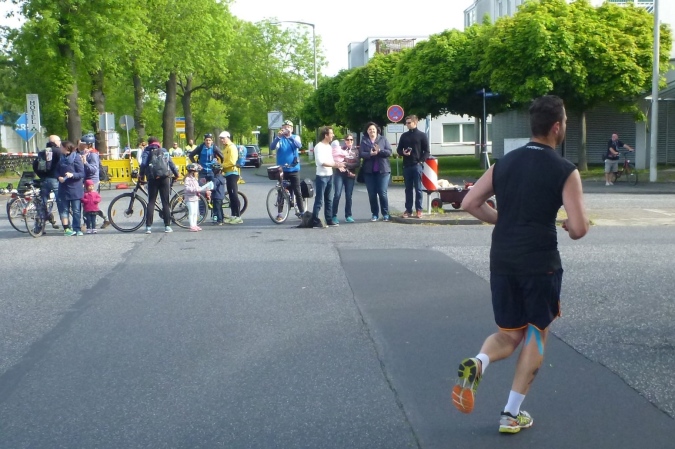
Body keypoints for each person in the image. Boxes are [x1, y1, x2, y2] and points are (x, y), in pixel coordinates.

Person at [454, 95, 589, 434]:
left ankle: (479, 361)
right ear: (556, 127)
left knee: (510, 332)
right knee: (536, 333)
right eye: (565, 122)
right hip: (539, 262)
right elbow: (579, 229)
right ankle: (511, 413)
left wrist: (502, 219)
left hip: (503, 258)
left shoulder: (505, 163)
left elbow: (470, 202)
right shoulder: (564, 170)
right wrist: (570, 225)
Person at [139, 136, 180, 234]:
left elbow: (143, 164)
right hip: (164, 178)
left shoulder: (147, 151)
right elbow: (170, 163)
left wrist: (141, 175)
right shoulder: (164, 150)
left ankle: (148, 227)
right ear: (158, 143)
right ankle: (167, 226)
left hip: (152, 178)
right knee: (165, 202)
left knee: (151, 202)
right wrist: (176, 174)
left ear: (149, 143)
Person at [397, 115, 430, 219]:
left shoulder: (422, 135)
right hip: (406, 165)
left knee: (418, 188)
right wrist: (403, 153)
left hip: (417, 165)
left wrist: (421, 162)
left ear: (415, 123)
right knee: (408, 189)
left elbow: (427, 151)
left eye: (409, 123)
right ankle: (408, 210)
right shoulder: (404, 136)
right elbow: (399, 149)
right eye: (406, 123)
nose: (407, 124)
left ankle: (419, 209)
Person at [311, 126, 344, 228]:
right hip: (321, 176)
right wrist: (335, 165)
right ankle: (314, 220)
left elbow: (331, 160)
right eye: (331, 133)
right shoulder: (318, 147)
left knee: (329, 199)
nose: (333, 135)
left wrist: (338, 165)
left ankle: (329, 219)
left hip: (329, 175)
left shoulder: (329, 147)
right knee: (319, 199)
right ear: (326, 135)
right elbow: (321, 162)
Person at [271, 120, 305, 221]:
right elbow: (272, 147)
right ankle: (280, 213)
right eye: (284, 127)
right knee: (281, 191)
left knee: (297, 191)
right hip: (282, 169)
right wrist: (278, 137)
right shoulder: (279, 139)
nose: (286, 129)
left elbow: (299, 146)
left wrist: (290, 136)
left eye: (288, 127)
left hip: (294, 169)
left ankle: (302, 212)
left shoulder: (295, 137)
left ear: (292, 129)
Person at [359, 122, 393, 222]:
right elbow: (361, 153)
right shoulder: (364, 140)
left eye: (373, 129)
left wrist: (380, 151)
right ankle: (375, 214)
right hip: (369, 172)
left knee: (382, 192)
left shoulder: (383, 139)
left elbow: (389, 152)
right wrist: (370, 154)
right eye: (369, 129)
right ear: (367, 131)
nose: (372, 131)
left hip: (383, 170)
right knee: (372, 194)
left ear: (377, 130)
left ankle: (385, 214)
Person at [79, 133, 110, 228]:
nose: (81, 145)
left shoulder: (92, 154)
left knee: (90, 202)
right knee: (88, 203)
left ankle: (95, 221)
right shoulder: (85, 153)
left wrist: (85, 163)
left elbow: (94, 169)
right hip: (86, 180)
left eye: (83, 143)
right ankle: (94, 220)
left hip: (92, 181)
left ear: (89, 144)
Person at [32, 135, 62, 229]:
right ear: (55, 142)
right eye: (59, 140)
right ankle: (66, 225)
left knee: (43, 202)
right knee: (61, 202)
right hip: (55, 179)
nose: (60, 142)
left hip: (44, 180)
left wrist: (41, 176)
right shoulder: (58, 151)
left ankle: (39, 227)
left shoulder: (42, 151)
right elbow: (63, 164)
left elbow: (35, 165)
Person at [56, 141, 85, 236]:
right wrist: (58, 177)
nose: (60, 148)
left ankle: (77, 228)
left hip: (75, 188)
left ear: (66, 148)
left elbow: (82, 173)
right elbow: (56, 171)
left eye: (61, 147)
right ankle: (67, 229)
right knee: (64, 209)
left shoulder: (76, 157)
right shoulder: (60, 158)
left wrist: (72, 175)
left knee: (76, 210)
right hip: (63, 188)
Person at [330, 135, 359, 224]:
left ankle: (348, 215)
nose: (349, 141)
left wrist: (346, 164)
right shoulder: (339, 148)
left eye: (351, 139)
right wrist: (338, 164)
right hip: (339, 174)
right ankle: (334, 216)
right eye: (347, 139)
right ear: (344, 141)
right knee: (337, 194)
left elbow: (357, 164)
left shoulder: (355, 150)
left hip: (350, 174)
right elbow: (333, 159)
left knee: (348, 196)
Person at [219, 131, 243, 224]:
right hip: (228, 173)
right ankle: (233, 215)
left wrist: (221, 166)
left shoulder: (232, 147)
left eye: (223, 138)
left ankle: (238, 217)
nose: (221, 140)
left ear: (228, 137)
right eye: (220, 138)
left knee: (234, 195)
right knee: (231, 196)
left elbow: (232, 162)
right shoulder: (226, 148)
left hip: (232, 173)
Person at [184, 163, 213, 232]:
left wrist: (202, 189)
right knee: (191, 212)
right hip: (190, 198)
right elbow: (186, 188)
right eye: (196, 172)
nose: (197, 173)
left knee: (195, 213)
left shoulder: (194, 179)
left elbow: (197, 187)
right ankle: (192, 226)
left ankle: (195, 225)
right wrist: (195, 189)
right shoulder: (187, 179)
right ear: (192, 172)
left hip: (195, 197)